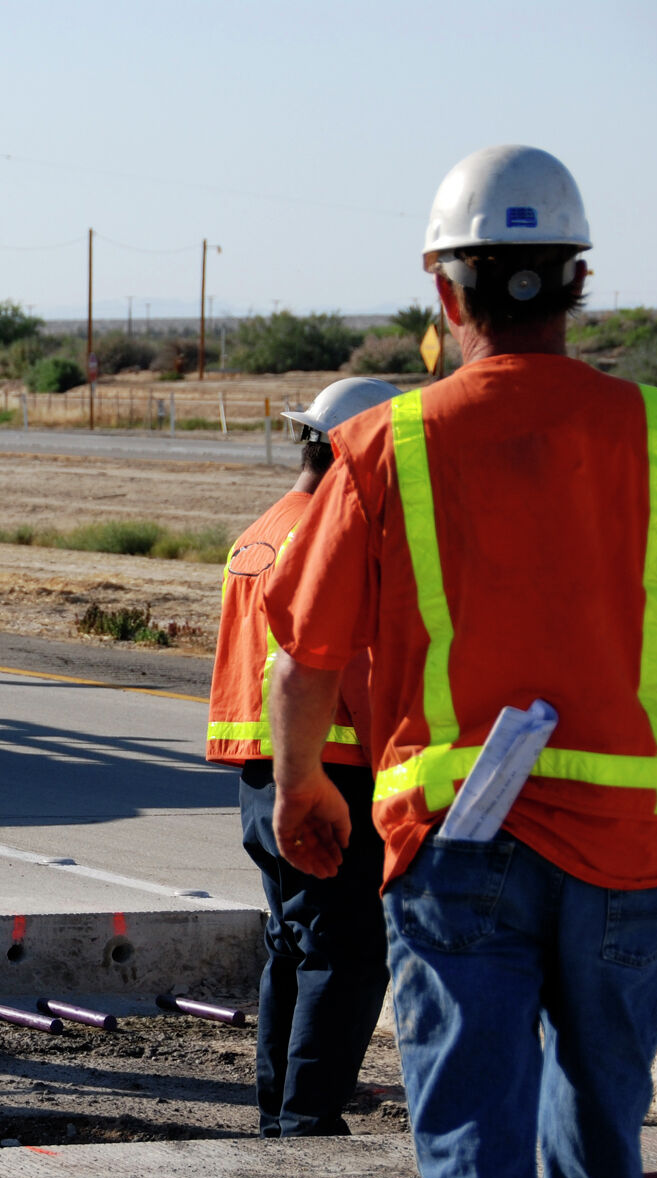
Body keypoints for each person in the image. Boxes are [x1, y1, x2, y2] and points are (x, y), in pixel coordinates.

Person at [262, 145, 657, 1178]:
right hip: (634, 860)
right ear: (572, 281)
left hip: (458, 853)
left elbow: (303, 654)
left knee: (473, 1149)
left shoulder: (385, 448)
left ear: (445, 289)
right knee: (598, 1142)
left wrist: (299, 783)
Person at [208, 376, 399, 1137]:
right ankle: (308, 1120)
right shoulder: (331, 535)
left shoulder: (260, 531)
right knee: (347, 951)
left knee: (292, 942)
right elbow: (344, 668)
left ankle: (280, 1112)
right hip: (333, 773)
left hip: (264, 773)